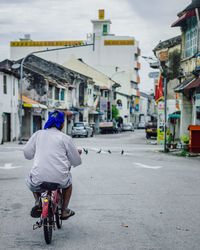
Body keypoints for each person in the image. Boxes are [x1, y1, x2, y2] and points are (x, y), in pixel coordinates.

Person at [24, 110, 82, 220]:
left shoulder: (38, 135)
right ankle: (64, 210)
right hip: (60, 179)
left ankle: (37, 201)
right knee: (68, 184)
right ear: (62, 124)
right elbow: (76, 162)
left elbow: (27, 154)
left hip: (38, 178)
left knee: (30, 177)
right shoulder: (65, 138)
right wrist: (76, 154)